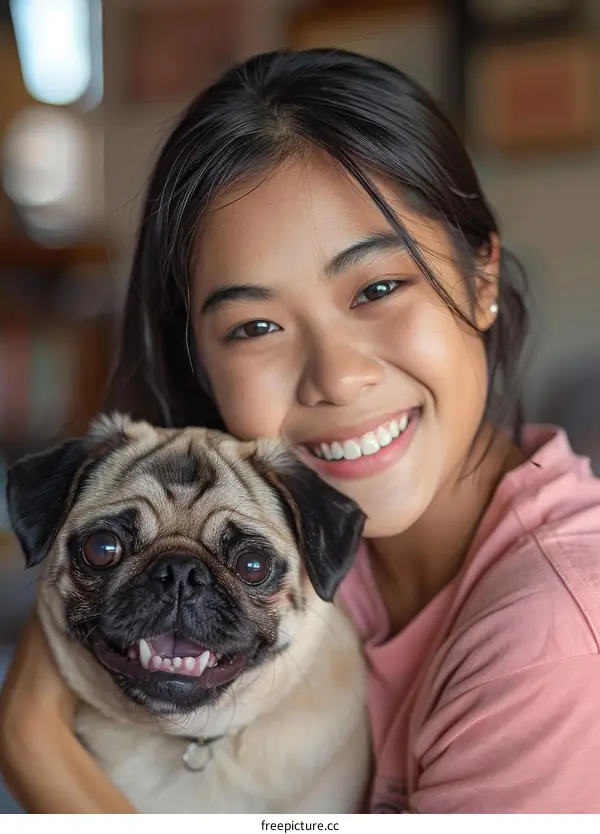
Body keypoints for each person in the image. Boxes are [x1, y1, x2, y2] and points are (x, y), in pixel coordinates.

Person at [2, 47, 600, 814]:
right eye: (255, 326)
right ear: (199, 359)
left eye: (378, 287)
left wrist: (30, 743)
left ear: (482, 278)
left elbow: (35, 719)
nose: (336, 376)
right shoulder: (261, 510)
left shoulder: (554, 649)